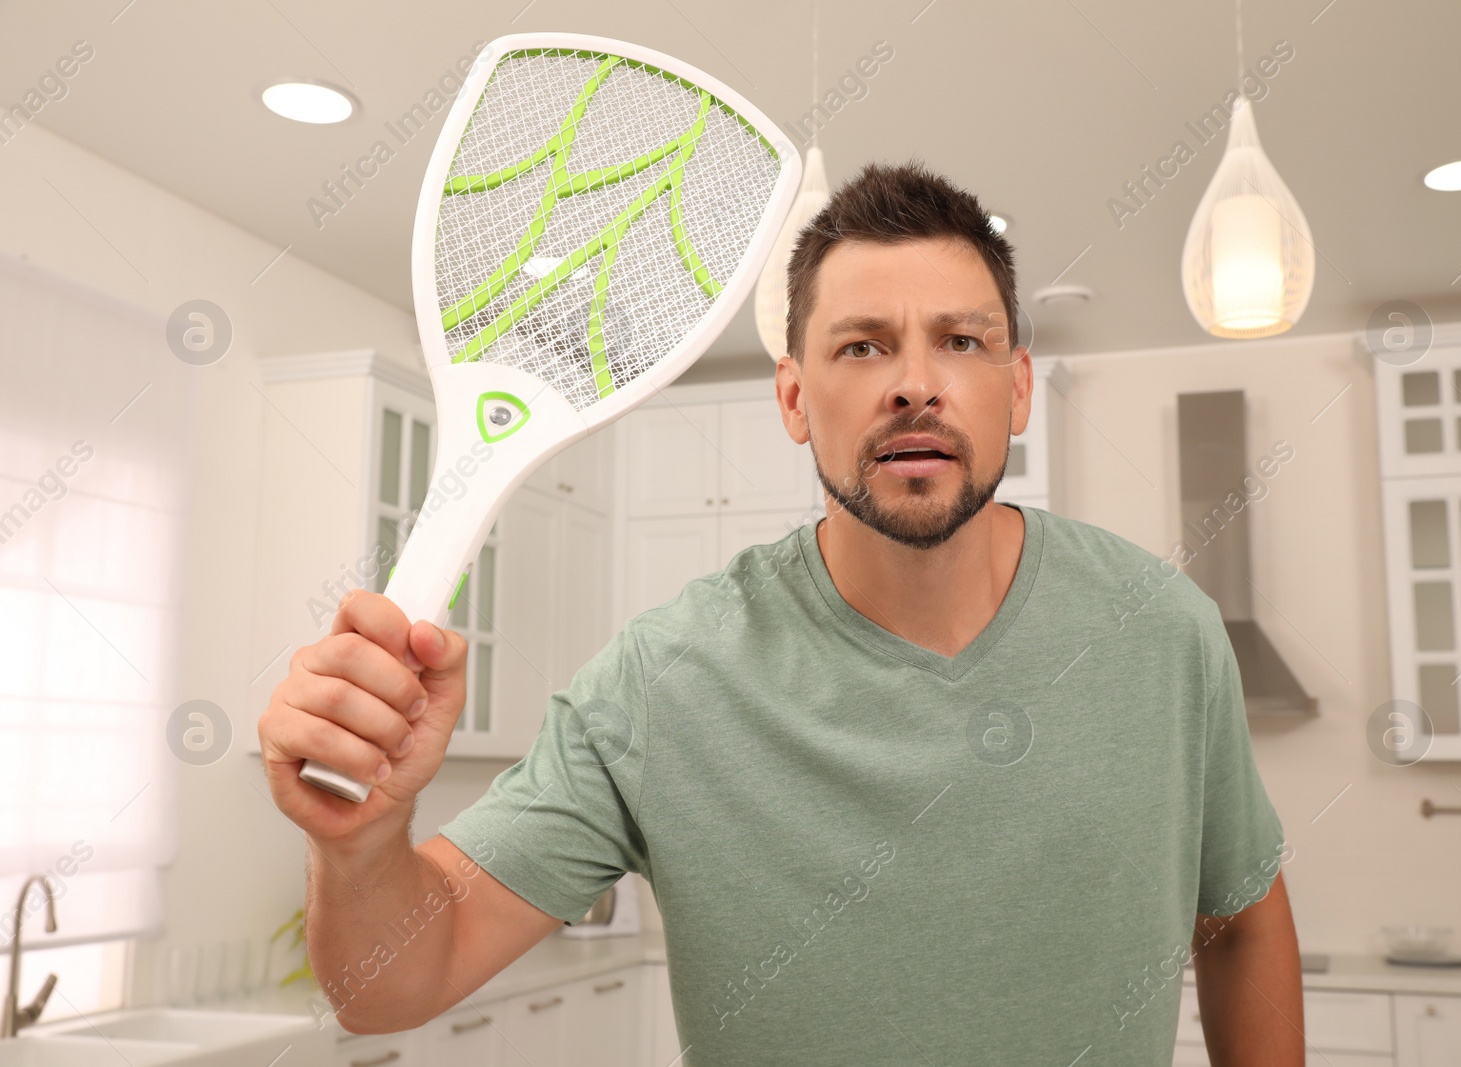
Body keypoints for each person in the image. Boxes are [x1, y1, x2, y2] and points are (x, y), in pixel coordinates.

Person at [259, 160, 1304, 1065]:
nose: (913, 384)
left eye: (960, 341)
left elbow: (1244, 922)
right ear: (795, 397)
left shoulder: (1160, 630)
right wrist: (362, 843)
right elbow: (389, 982)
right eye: (860, 346)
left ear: (1016, 388)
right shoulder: (667, 678)